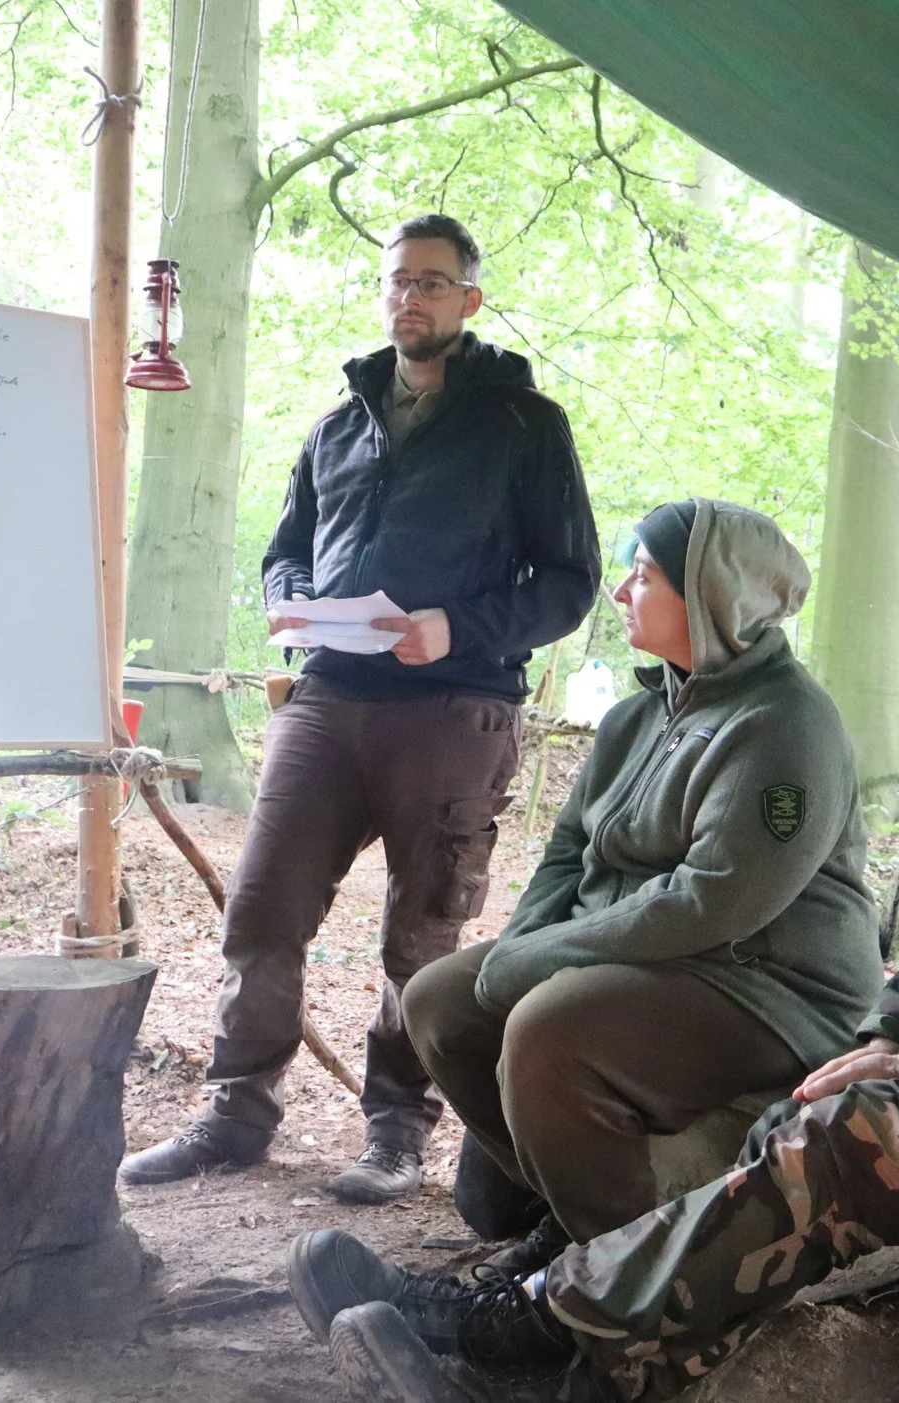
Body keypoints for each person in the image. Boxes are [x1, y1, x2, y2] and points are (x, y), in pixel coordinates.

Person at [289, 429, 899, 1401]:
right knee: (780, 1112)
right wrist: (893, 1030)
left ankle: (543, 1338)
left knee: (832, 1131)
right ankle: (581, 1303)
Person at [122, 214, 601, 1203]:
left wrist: (455, 627)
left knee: (421, 936)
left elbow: (569, 582)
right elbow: (285, 549)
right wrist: (289, 601)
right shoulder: (339, 424)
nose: (408, 298)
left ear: (469, 300)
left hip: (455, 705)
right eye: (396, 281)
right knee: (262, 908)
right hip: (328, 693)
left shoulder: (524, 424)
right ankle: (235, 1113)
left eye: (431, 282)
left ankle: (395, 1131)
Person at [396, 498, 884, 1275]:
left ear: (712, 594)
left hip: (766, 989)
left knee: (549, 1026)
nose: (621, 590)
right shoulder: (635, 718)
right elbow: (568, 851)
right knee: (438, 1000)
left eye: (645, 575)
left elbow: (711, 901)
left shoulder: (786, 724)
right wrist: (523, 945)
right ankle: (572, 1202)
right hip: (650, 960)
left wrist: (545, 962)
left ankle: (618, 1265)